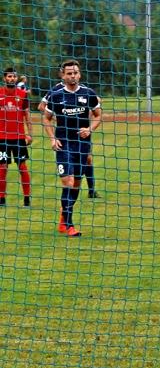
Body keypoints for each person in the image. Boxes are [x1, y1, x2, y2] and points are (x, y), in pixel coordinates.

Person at [39, 59, 101, 236]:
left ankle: (63, 219)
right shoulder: (56, 95)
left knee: (76, 186)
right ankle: (70, 225)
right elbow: (46, 118)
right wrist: (52, 139)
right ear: (62, 75)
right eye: (69, 73)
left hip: (82, 145)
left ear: (79, 74)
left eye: (75, 72)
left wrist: (89, 129)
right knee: (69, 182)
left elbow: (98, 115)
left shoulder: (88, 93)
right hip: (63, 145)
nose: (72, 76)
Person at [0, 67, 33, 207]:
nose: (11, 79)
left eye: (14, 76)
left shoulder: (23, 94)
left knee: (23, 167)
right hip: (2, 138)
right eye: (9, 76)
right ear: (4, 78)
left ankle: (27, 199)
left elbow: (27, 114)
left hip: (19, 138)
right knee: (2, 168)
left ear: (16, 78)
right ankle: (1, 199)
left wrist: (30, 134)